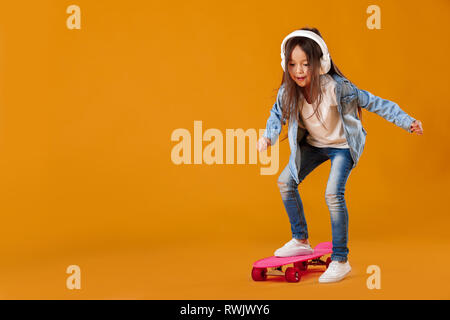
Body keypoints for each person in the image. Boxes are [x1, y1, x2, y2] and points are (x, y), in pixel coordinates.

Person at [257, 27, 423, 283]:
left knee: (333, 193)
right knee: (285, 182)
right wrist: (268, 136)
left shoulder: (336, 88)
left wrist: (406, 121)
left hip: (342, 146)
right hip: (314, 145)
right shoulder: (288, 92)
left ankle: (341, 260)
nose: (299, 70)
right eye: (292, 64)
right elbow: (276, 115)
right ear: (285, 64)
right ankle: (300, 239)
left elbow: (374, 102)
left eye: (305, 64)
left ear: (320, 63)